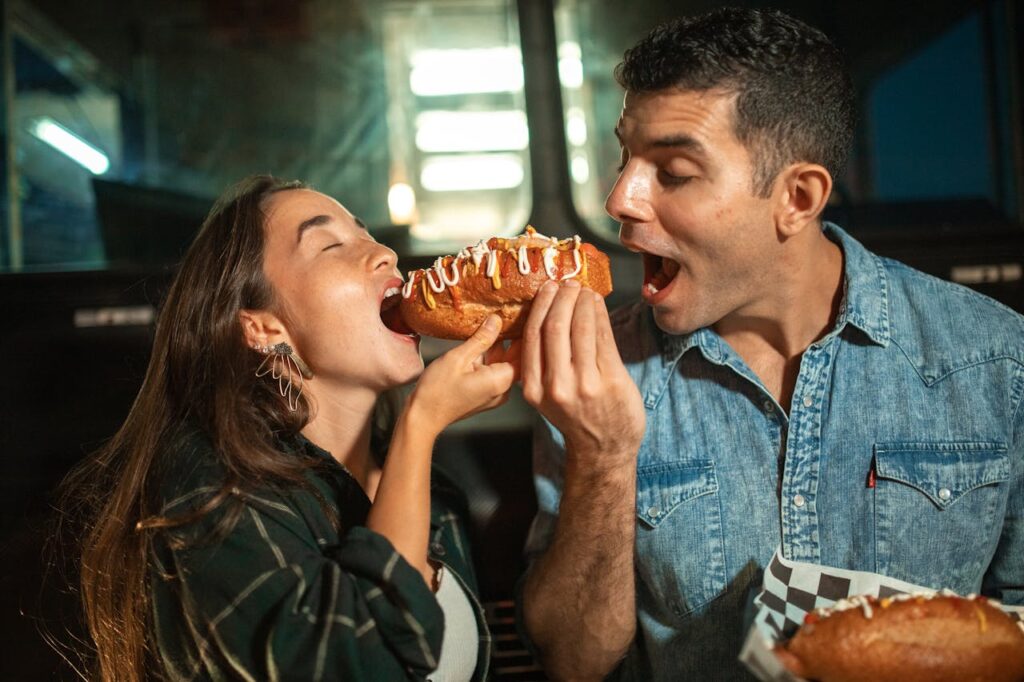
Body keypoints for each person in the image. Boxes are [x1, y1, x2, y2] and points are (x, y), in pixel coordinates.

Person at [517, 7, 1024, 681]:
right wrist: (604, 456)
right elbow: (571, 662)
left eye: (671, 171)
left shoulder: (995, 360)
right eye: (624, 159)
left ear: (798, 197)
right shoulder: (598, 372)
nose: (620, 198)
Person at [60, 175, 518, 681]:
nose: (385, 253)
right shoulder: (214, 489)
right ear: (263, 327)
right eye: (330, 244)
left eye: (367, 234)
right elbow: (357, 664)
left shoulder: (438, 494)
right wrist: (422, 421)